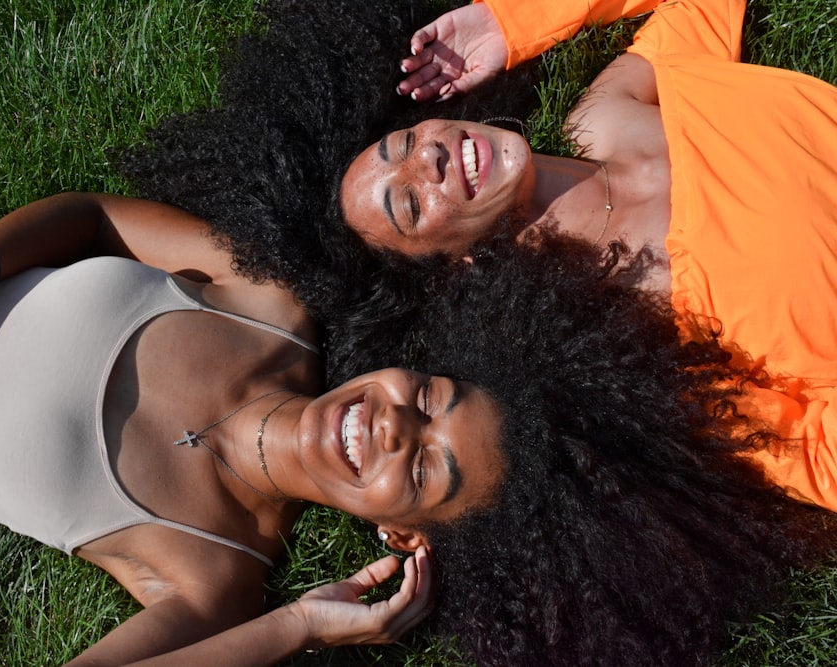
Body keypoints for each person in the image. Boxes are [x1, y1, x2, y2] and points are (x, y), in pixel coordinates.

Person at [0, 190, 837, 667]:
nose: (393, 426)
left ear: (402, 534)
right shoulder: (266, 300)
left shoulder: (206, 571)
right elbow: (97, 217)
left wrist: (297, 626)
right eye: (428, 399)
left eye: (427, 468)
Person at [337, 0, 837, 513]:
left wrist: (511, 23)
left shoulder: (604, 116)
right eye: (411, 204)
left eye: (404, 143)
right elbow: (817, 456)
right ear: (453, 264)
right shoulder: (635, 335)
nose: (429, 158)